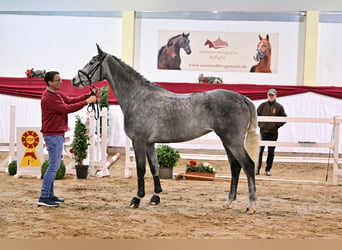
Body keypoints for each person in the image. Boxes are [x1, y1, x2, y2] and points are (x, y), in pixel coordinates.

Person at [38, 71, 98, 207]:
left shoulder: (55, 94)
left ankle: (49, 195)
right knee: (53, 166)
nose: (61, 82)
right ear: (50, 83)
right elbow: (67, 108)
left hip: (56, 134)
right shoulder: (49, 98)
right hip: (53, 135)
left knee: (54, 165)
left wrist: (87, 96)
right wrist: (87, 102)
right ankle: (43, 196)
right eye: (58, 80)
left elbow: (70, 100)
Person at [257, 88, 286, 176]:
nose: (270, 97)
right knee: (259, 151)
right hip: (263, 132)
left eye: (272, 95)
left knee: (271, 151)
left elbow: (284, 118)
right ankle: (257, 169)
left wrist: (277, 125)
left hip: (273, 133)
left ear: (275, 96)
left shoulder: (279, 107)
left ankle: (268, 169)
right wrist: (260, 124)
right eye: (269, 95)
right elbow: (256, 115)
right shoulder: (262, 106)